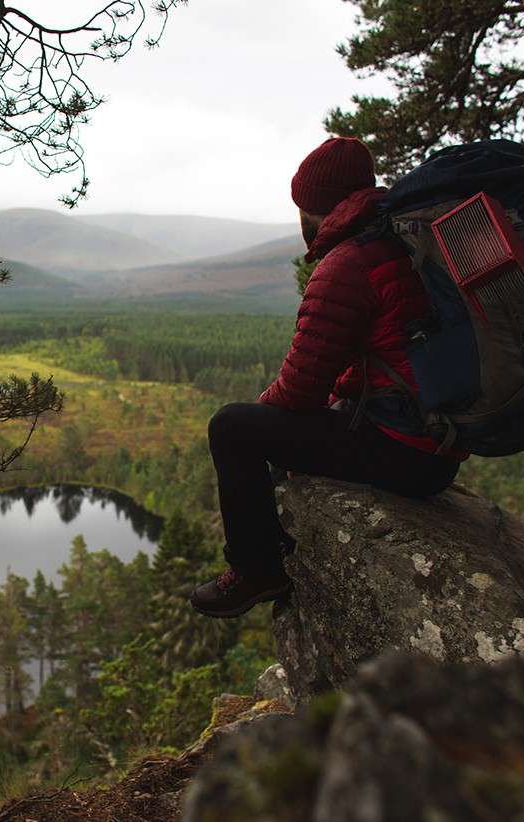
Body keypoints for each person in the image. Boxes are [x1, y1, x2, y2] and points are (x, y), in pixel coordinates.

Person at [190, 137, 465, 619]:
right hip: (436, 449)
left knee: (232, 427)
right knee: (287, 431)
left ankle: (255, 569)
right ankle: (287, 549)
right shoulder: (396, 242)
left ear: (313, 207)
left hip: (404, 451)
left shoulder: (347, 264)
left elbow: (298, 391)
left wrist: (265, 414)